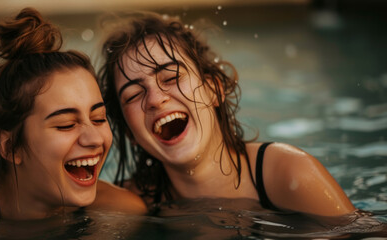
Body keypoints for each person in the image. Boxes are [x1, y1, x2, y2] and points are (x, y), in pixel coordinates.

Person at [98, 12, 355, 216]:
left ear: (214, 90)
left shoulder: (288, 175)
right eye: (133, 95)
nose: (155, 99)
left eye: (171, 76)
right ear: (129, 132)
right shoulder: (133, 204)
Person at [0, 8, 146, 229]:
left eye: (98, 118)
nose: (94, 138)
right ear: (10, 146)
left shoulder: (121, 213)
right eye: (66, 124)